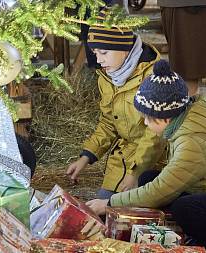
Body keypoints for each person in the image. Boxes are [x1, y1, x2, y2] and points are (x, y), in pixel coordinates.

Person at [86, 60, 206, 253]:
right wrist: (134, 175)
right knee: (147, 178)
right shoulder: (181, 119)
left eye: (147, 118)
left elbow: (160, 191)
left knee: (185, 208)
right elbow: (156, 168)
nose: (145, 123)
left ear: (164, 118)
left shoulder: (191, 142)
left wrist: (110, 203)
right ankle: (187, 231)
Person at [66, 10, 166, 200]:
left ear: (125, 49)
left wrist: (135, 173)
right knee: (103, 210)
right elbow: (109, 122)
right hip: (123, 159)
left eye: (104, 52)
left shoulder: (153, 76)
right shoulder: (107, 76)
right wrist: (85, 158)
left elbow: (156, 135)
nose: (98, 59)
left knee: (125, 213)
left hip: (156, 161)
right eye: (95, 52)